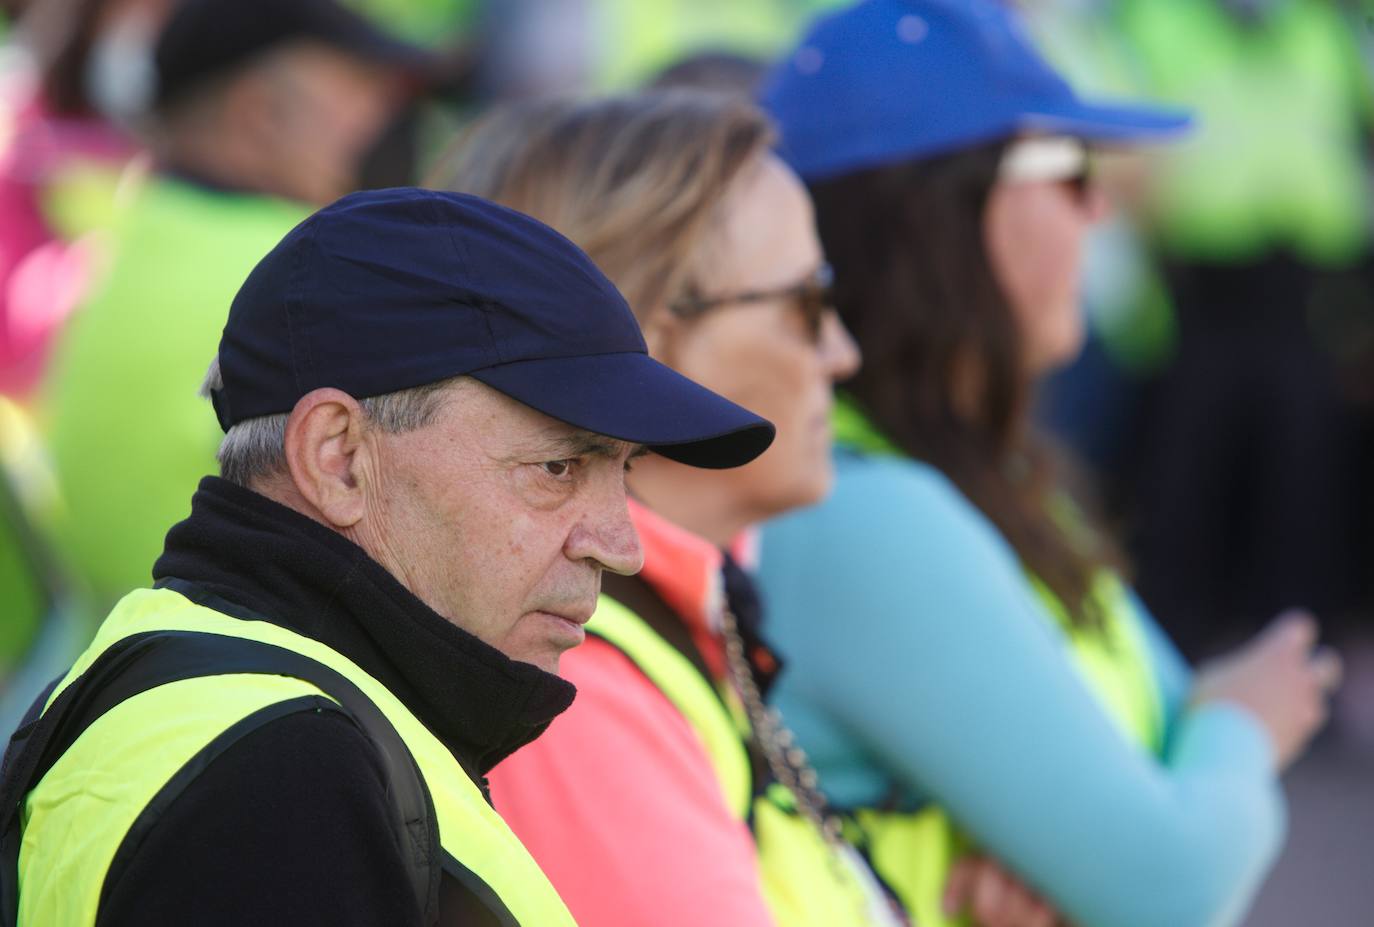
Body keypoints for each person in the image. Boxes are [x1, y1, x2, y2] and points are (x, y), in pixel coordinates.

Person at [1, 187, 774, 925]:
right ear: (338, 457)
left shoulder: (227, 694)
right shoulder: (280, 775)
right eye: (558, 468)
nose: (622, 544)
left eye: (624, 469)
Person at [754, 2, 1343, 926]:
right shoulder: (862, 514)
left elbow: (1157, 800)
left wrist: (1155, 821)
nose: (1101, 205)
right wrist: (1247, 725)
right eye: (1069, 172)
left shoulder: (984, 471)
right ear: (941, 214)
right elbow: (1174, 883)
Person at [436, 90, 1061, 927]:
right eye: (807, 302)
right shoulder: (573, 685)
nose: (842, 352)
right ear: (642, 345)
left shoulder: (670, 619)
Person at [39, 0, 434, 611]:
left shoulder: (136, 238)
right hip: (274, 669)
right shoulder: (301, 274)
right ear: (259, 111)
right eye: (359, 88)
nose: (387, 116)